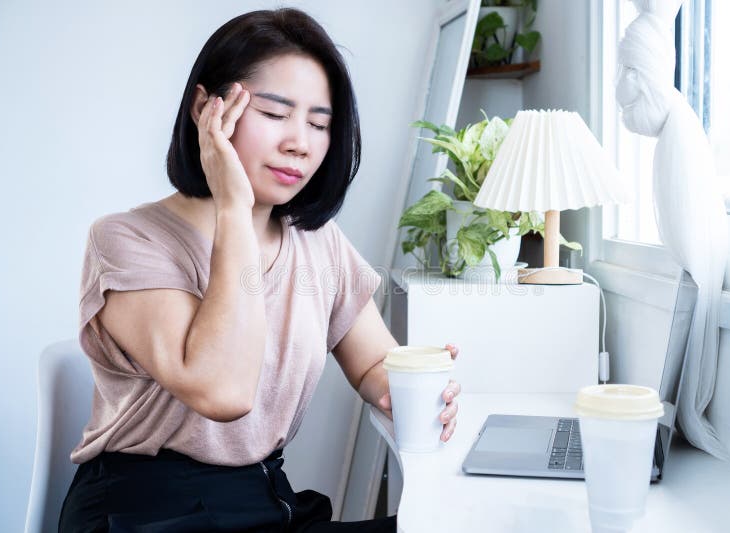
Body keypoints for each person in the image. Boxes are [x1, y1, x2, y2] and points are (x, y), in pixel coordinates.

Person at [59, 8, 461, 532]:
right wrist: (234, 206)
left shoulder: (318, 242)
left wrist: (409, 389)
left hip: (263, 501)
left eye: (319, 124)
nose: (300, 142)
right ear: (206, 109)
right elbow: (223, 392)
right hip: (148, 509)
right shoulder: (127, 240)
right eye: (274, 114)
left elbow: (371, 365)